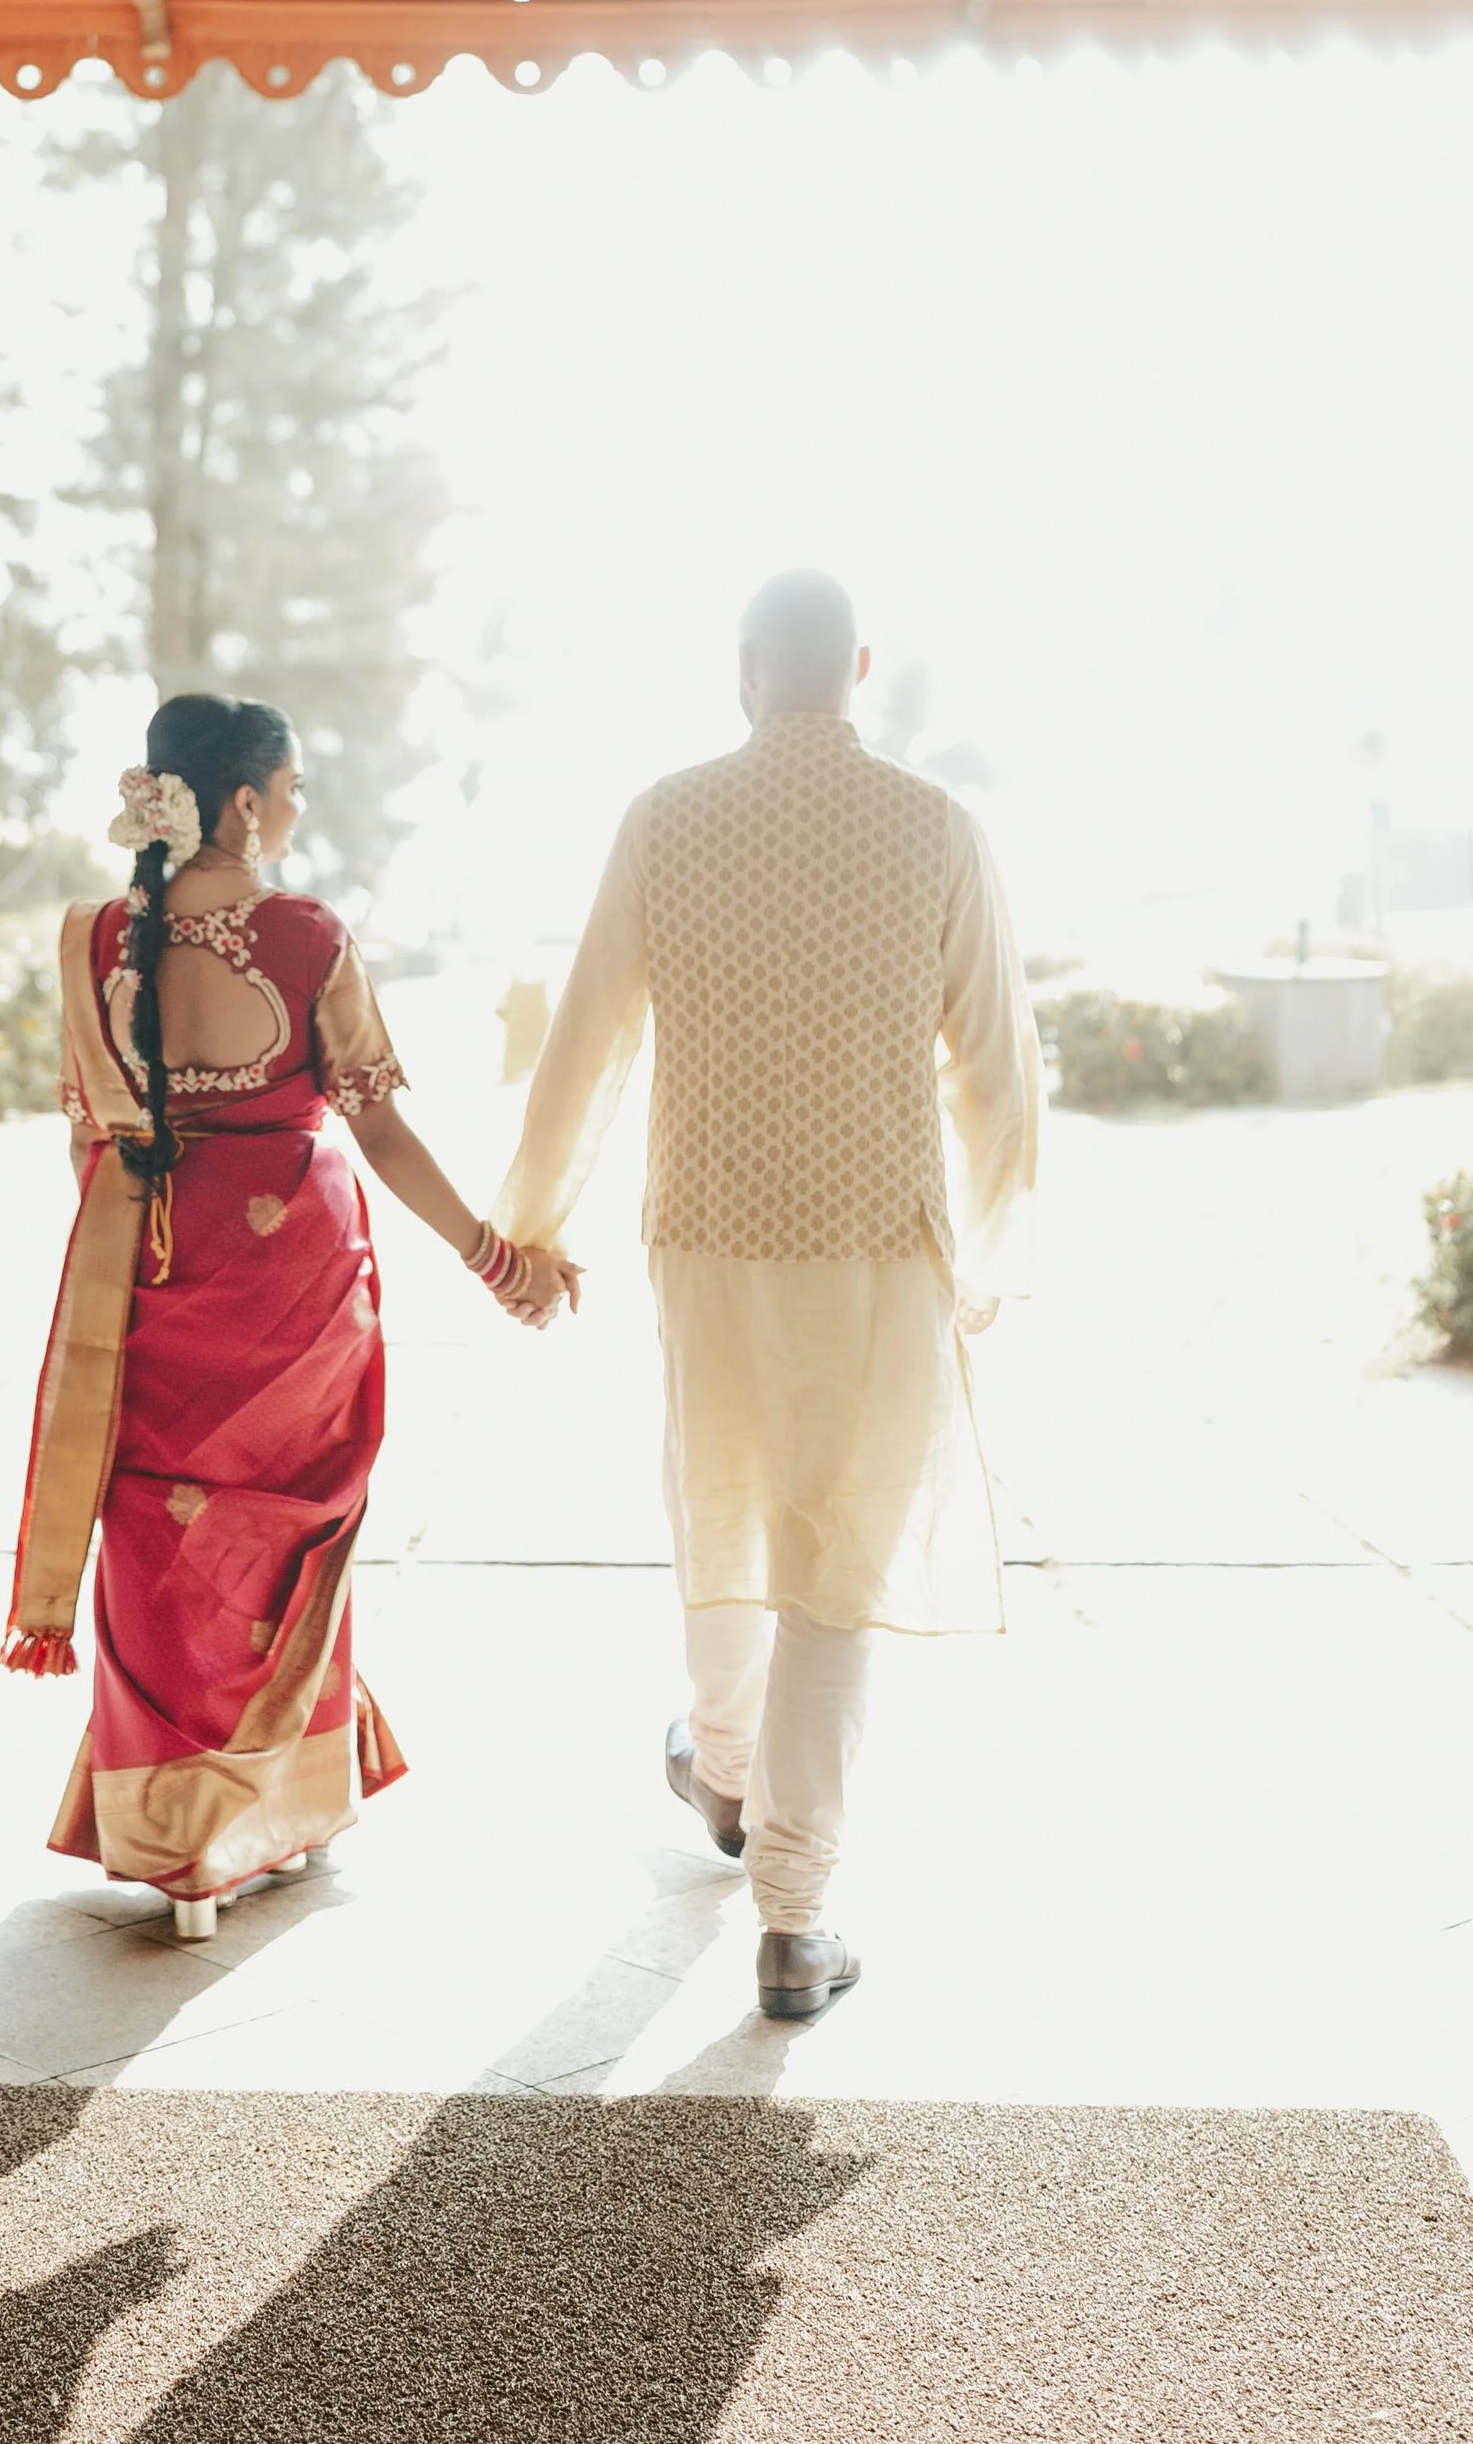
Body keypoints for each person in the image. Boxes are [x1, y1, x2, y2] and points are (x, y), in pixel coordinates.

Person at [495, 570, 1039, 2022]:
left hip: (711, 1237)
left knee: (725, 1505)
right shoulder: (935, 827)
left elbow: (586, 1041)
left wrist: (528, 1225)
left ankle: (725, 1770)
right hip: (875, 1243)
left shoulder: (664, 818)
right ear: (859, 667)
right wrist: (989, 1256)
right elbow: (998, 1072)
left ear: (744, 665)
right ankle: (794, 1916)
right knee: (837, 1563)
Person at [2, 690, 578, 1938]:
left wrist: (129, 1266)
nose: (298, 811)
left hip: (143, 1261)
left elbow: (87, 1137)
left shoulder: (93, 938)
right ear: (244, 803)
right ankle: (282, 1806)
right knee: (287, 1531)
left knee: (157, 1524)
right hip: (291, 1283)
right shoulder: (306, 934)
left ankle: (174, 1836)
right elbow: (378, 1127)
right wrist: (493, 1259)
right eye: (293, 790)